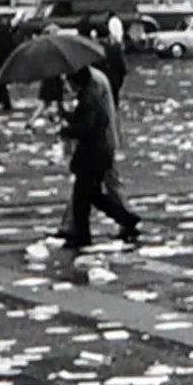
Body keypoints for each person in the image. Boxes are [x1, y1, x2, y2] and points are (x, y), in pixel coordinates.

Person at [58, 64, 141, 250]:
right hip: (96, 154)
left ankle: (83, 235)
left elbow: (86, 126)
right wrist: (66, 115)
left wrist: (66, 130)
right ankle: (124, 219)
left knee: (83, 198)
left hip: (92, 156)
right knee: (91, 196)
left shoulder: (88, 98)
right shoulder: (89, 96)